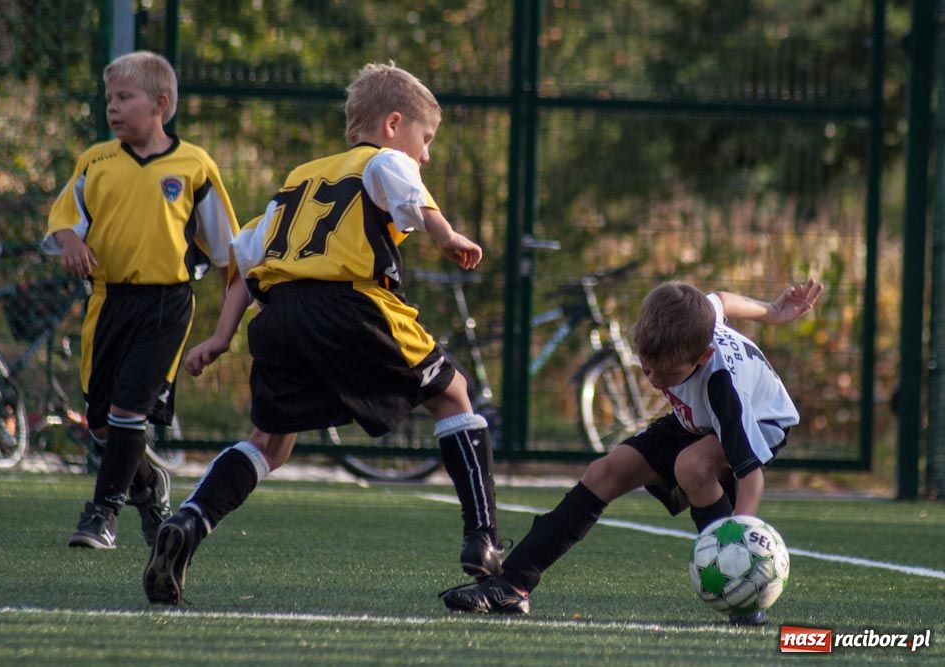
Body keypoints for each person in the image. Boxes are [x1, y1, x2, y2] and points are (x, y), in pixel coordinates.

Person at [143, 62, 502, 605]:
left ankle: (189, 520)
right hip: (351, 305)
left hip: (279, 317)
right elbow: (412, 191)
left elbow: (244, 259)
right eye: (425, 138)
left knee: (270, 443)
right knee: (452, 394)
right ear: (393, 124)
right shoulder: (384, 159)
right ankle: (484, 539)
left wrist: (220, 337)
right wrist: (447, 235)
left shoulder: (298, 180)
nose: (425, 154)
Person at [441, 278, 823, 626]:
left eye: (667, 375)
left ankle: (743, 591)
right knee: (605, 472)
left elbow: (750, 473)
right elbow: (721, 298)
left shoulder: (723, 386)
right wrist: (772, 311)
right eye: (646, 368)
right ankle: (512, 585)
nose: (655, 380)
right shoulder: (693, 320)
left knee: (693, 467)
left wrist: (741, 533)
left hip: (761, 420)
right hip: (697, 418)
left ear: (702, 358)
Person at [43, 51, 239, 550]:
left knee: (130, 410)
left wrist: (230, 322)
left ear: (160, 104)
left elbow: (228, 252)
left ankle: (102, 514)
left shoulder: (194, 166)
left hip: (165, 305)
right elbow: (63, 219)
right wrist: (70, 242)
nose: (113, 107)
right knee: (102, 424)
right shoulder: (96, 161)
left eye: (125, 97)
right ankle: (151, 487)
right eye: (109, 98)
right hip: (107, 302)